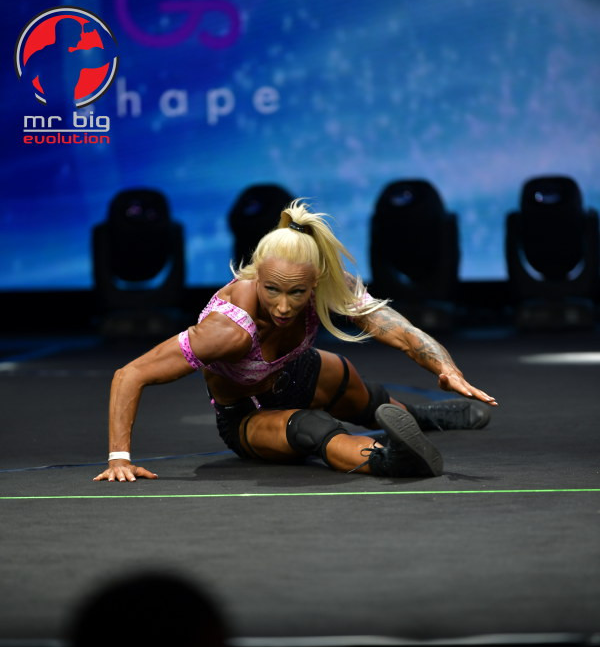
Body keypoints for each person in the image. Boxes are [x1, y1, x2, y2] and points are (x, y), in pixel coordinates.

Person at [93, 199, 497, 483]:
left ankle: (424, 417)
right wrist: (118, 458)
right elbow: (131, 374)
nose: (284, 307)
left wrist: (446, 368)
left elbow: (398, 331)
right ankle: (391, 460)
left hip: (294, 371)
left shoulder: (327, 286)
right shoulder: (228, 329)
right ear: (257, 276)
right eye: (272, 290)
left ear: (314, 283)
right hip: (248, 413)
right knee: (312, 428)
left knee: (344, 375)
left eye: (297, 293)